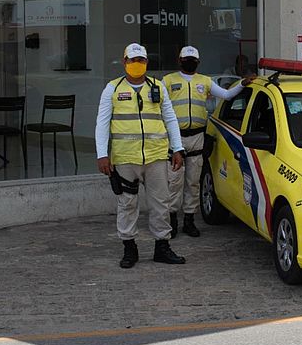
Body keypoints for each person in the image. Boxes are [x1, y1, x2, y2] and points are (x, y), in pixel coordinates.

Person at [95, 43, 186, 268]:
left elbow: (170, 119)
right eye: (133, 61)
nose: (137, 65)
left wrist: (178, 148)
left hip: (156, 157)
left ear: (147, 62)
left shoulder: (158, 87)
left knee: (161, 203)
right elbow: (102, 123)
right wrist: (101, 154)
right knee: (127, 204)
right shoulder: (112, 89)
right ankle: (129, 248)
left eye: (141, 61)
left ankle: (162, 247)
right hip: (125, 158)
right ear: (125, 62)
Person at [162, 46, 254, 237]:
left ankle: (189, 220)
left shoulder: (204, 81)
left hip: (197, 136)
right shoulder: (168, 81)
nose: (190, 62)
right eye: (187, 59)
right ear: (179, 60)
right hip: (175, 138)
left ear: (198, 62)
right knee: (174, 183)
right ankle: (171, 219)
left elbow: (227, 95)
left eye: (193, 60)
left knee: (193, 182)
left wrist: (243, 84)